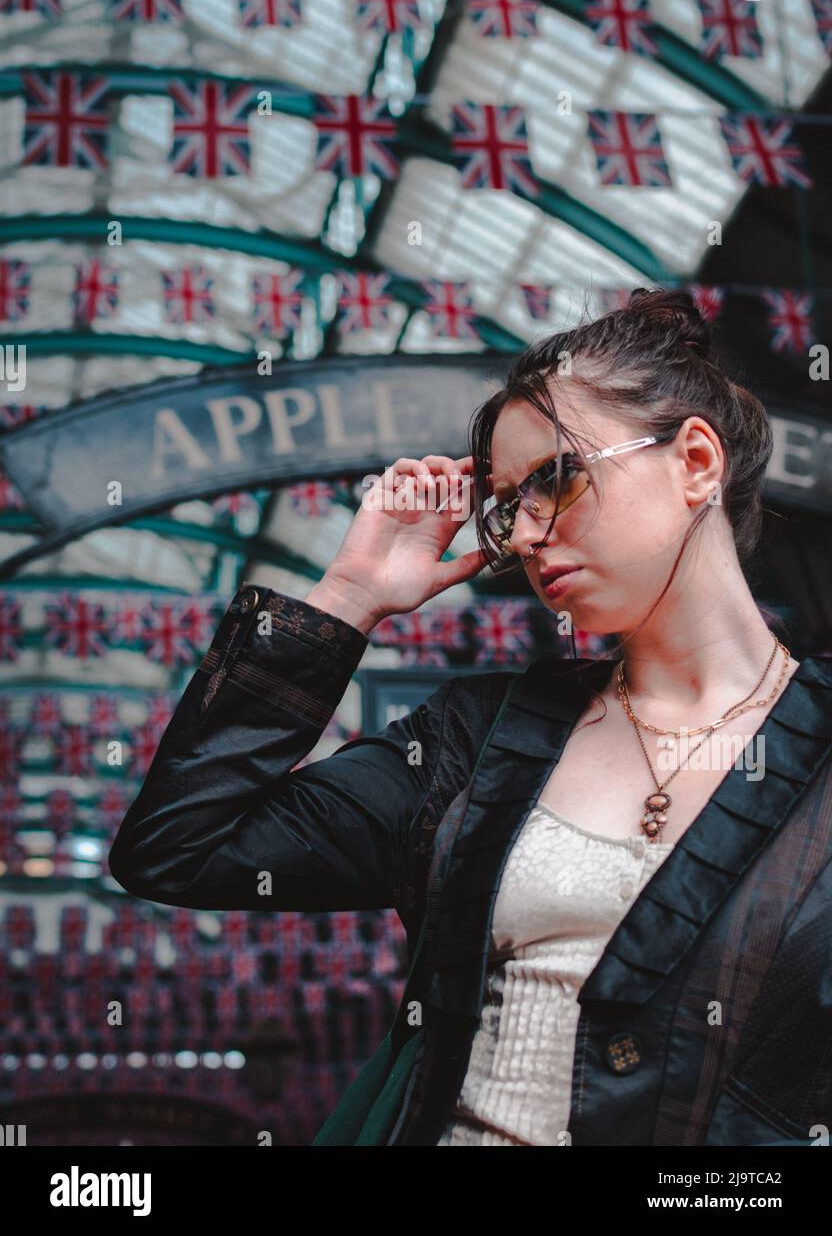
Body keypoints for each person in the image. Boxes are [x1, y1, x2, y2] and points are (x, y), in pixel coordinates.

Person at [108, 287, 832, 1147]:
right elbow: (179, 848)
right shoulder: (476, 739)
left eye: (555, 480)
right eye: (505, 507)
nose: (523, 535)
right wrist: (349, 598)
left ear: (697, 462)